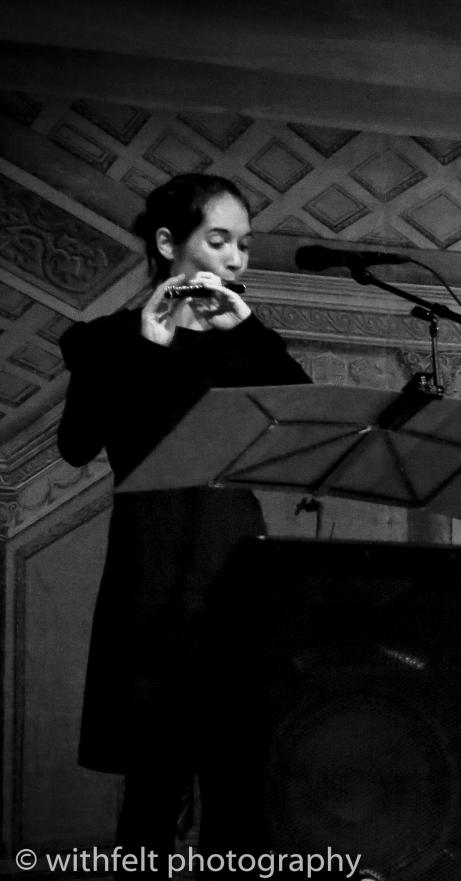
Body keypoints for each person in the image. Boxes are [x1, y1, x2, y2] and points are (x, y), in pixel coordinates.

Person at [57, 174, 311, 873]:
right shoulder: (107, 340)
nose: (236, 258)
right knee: (154, 781)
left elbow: (302, 419)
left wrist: (244, 328)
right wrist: (147, 341)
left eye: (244, 245)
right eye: (219, 240)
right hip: (152, 567)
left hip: (236, 564)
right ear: (169, 243)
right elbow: (78, 443)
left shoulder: (245, 341)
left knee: (240, 773)